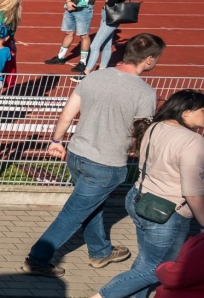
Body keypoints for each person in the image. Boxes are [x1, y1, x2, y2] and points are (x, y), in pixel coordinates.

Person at [23, 33, 166, 277]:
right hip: (106, 164)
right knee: (74, 213)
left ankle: (100, 252)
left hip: (77, 154)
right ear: (150, 59)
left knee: (91, 206)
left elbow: (67, 113)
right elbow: (141, 133)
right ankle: (37, 259)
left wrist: (56, 140)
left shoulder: (94, 76)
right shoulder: (144, 92)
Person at [75, 90, 204, 298]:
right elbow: (192, 189)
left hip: (139, 199)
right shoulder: (192, 140)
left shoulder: (155, 127)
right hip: (167, 212)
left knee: (147, 258)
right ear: (186, 113)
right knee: (160, 268)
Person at [81, 0, 135, 74]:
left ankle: (86, 71)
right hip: (105, 14)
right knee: (106, 45)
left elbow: (110, 2)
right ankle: (102, 69)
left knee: (95, 45)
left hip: (113, 17)